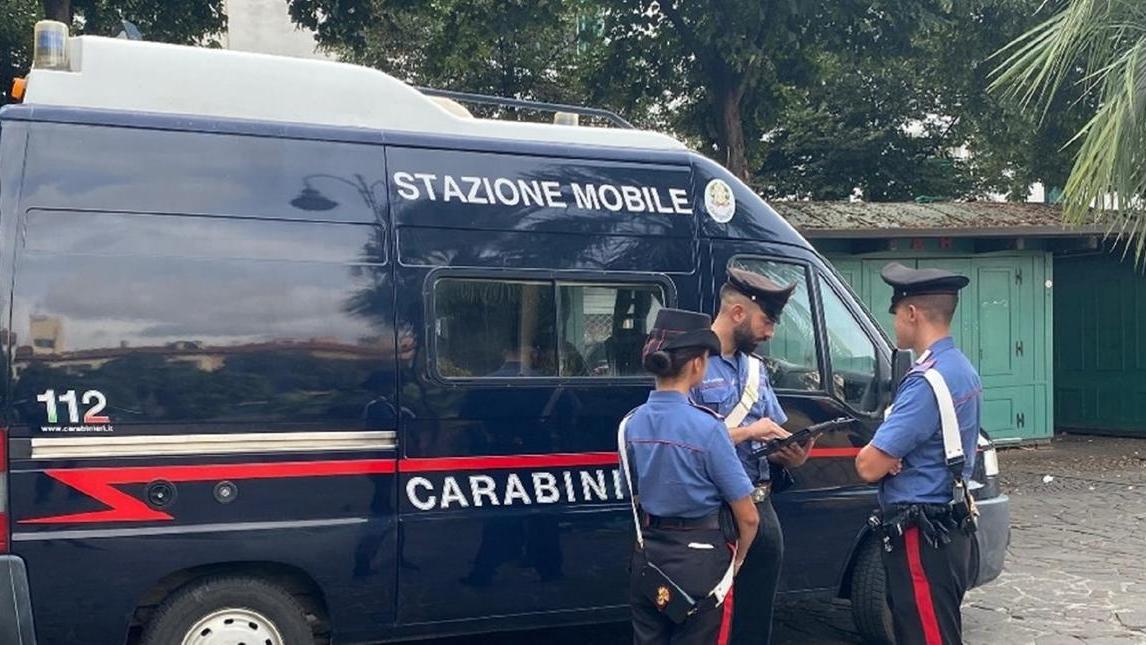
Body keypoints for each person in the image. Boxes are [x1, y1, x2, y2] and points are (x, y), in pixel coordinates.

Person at [855, 262, 981, 645]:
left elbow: (868, 465)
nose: (894, 323)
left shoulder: (926, 381)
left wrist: (884, 456)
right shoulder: (961, 369)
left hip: (921, 531)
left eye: (895, 314)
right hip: (949, 525)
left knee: (926, 636)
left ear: (912, 313)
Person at [621, 308, 760, 645]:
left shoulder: (630, 425)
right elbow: (749, 517)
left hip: (648, 556)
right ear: (697, 364)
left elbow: (632, 491)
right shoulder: (708, 429)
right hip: (701, 561)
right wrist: (737, 561)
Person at [691, 267, 814, 645]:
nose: (771, 333)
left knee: (755, 620)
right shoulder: (690, 363)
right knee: (708, 619)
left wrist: (790, 453)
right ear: (738, 313)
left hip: (761, 507)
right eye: (767, 321)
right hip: (713, 513)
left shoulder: (756, 371)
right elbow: (682, 440)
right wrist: (748, 431)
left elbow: (769, 434)